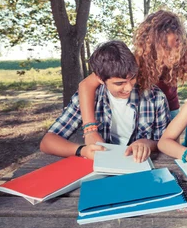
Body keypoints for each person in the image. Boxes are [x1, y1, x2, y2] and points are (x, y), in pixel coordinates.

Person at [78, 10, 187, 146]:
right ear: (152, 44)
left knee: (170, 150)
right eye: (166, 47)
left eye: (177, 44)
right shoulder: (136, 59)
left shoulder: (185, 56)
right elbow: (86, 85)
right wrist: (90, 129)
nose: (173, 53)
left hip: (170, 109)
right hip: (146, 112)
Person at [40, 40, 170, 163]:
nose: (129, 87)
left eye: (133, 78)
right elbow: (47, 142)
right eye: (119, 83)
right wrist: (82, 150)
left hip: (138, 165)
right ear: (100, 79)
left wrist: (147, 144)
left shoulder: (155, 98)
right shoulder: (90, 99)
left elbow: (164, 142)